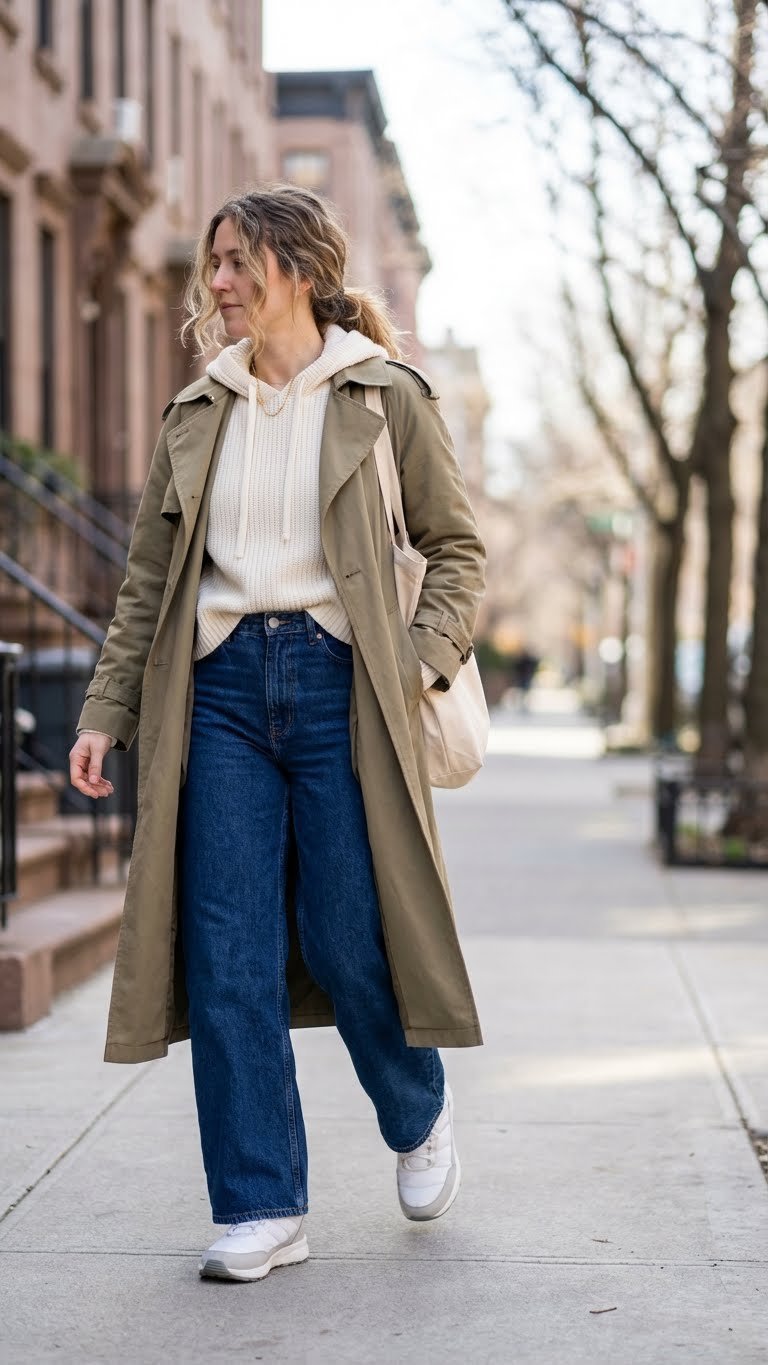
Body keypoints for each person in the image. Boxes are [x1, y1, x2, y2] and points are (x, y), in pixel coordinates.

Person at [69, 183, 486, 1284]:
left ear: (296, 267)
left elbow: (457, 549)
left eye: (235, 263)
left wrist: (420, 665)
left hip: (342, 683)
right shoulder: (196, 411)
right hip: (216, 695)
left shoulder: (382, 395)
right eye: (213, 263)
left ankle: (416, 1110)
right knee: (229, 953)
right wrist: (107, 711)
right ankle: (261, 1203)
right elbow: (151, 582)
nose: (216, 285)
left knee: (352, 935)